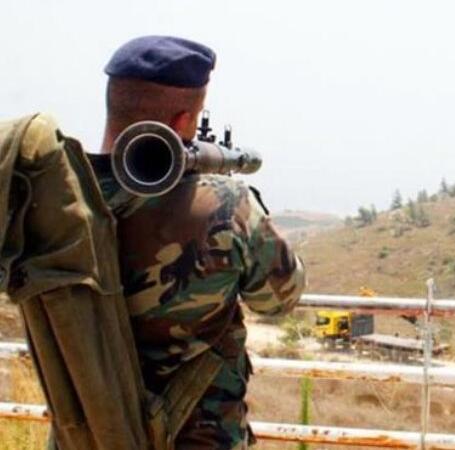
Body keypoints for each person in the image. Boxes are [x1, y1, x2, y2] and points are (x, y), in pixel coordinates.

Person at [89, 36, 307, 449]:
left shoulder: (57, 202)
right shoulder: (225, 205)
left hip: (84, 437)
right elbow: (280, 300)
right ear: (183, 122)